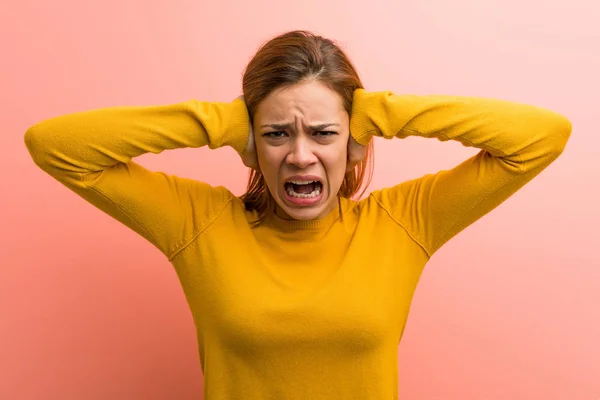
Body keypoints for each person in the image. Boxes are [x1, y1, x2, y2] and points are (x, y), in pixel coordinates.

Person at [24, 30, 572, 399]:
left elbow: (540, 138)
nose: (301, 154)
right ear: (253, 145)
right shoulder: (199, 225)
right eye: (277, 134)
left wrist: (379, 112)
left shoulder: (404, 222)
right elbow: (55, 146)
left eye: (324, 133)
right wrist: (222, 123)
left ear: (353, 142)